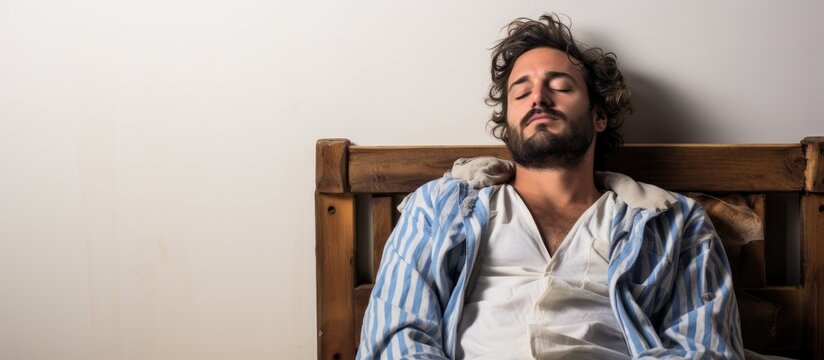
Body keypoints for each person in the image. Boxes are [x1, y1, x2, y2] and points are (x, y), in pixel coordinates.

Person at [357, 14, 743, 359]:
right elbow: (396, 336)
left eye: (559, 86)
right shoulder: (439, 206)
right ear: (507, 123)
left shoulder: (675, 223)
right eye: (521, 93)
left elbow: (705, 348)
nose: (538, 99)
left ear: (599, 116)